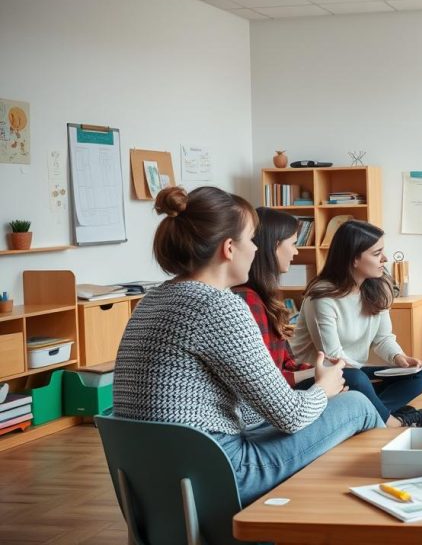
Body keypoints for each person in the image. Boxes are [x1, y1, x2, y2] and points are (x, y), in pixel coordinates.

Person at [113, 186, 381, 507]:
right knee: (357, 405)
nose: (256, 249)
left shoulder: (152, 299)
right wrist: (324, 386)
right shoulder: (219, 305)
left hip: (152, 481)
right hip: (220, 472)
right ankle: (377, 510)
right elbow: (291, 417)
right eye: (252, 239)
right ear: (229, 248)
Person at [291, 220, 422, 427]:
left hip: (354, 374)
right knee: (358, 378)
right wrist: (365, 377)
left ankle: (368, 416)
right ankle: (393, 422)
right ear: (354, 259)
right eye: (377, 254)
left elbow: (383, 338)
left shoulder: (377, 287)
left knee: (420, 375)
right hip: (319, 378)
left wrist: (399, 358)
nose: (384, 259)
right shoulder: (322, 296)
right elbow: (333, 359)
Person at [232, 207, 312, 388]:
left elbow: (287, 363)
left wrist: (322, 368)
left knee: (353, 378)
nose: (296, 252)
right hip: (272, 402)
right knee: (355, 385)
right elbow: (263, 382)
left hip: (281, 392)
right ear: (274, 246)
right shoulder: (247, 299)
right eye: (293, 244)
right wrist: (317, 374)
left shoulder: (264, 298)